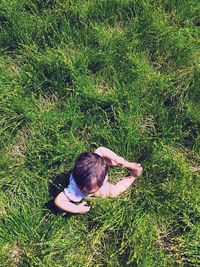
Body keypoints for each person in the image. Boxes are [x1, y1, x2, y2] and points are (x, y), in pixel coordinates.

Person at [54, 147, 143, 214]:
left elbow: (101, 150)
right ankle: (132, 177)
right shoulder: (75, 190)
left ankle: (125, 164)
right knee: (113, 192)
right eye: (88, 191)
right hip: (93, 179)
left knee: (114, 161)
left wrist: (116, 158)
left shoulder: (96, 163)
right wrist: (77, 209)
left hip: (98, 172)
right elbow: (58, 201)